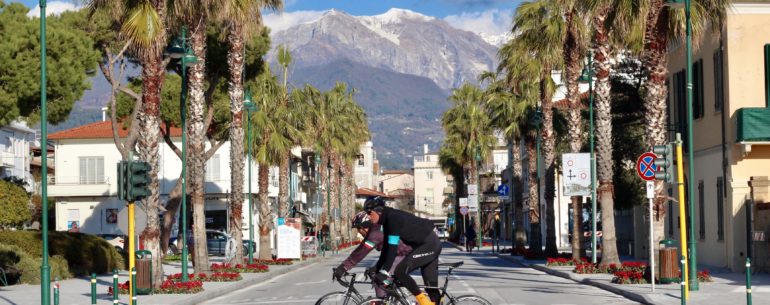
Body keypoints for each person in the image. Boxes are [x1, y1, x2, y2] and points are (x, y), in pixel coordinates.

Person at [365, 196, 442, 305]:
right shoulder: (387, 220)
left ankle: (424, 302)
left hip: (430, 245)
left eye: (369, 213)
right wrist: (377, 267)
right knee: (431, 288)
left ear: (378, 211)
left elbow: (393, 249)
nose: (368, 217)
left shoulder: (393, 218)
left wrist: (385, 271)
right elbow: (386, 248)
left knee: (400, 271)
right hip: (429, 244)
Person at [332, 211, 412, 301]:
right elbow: (386, 253)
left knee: (380, 281)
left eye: (358, 229)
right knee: (379, 277)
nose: (359, 232)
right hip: (399, 254)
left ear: (364, 227)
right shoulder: (377, 228)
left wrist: (343, 268)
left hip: (404, 254)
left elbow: (360, 252)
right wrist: (376, 267)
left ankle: (382, 301)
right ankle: (387, 300)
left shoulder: (375, 234)